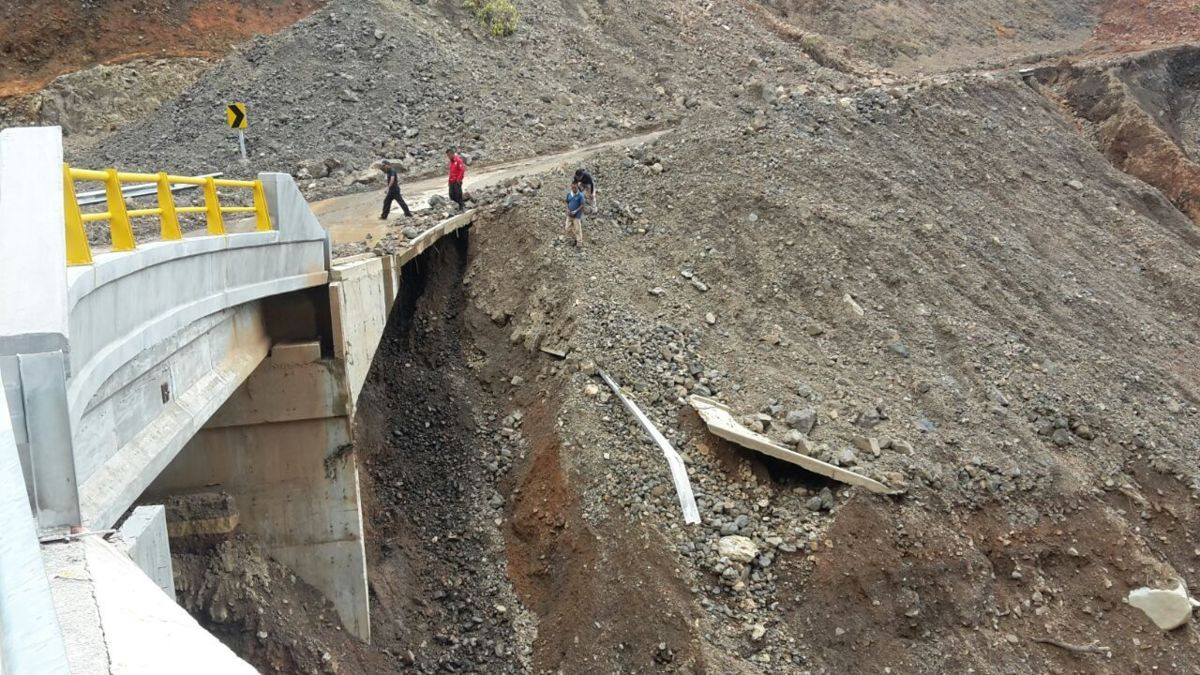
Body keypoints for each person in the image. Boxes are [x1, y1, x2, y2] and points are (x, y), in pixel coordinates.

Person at [565, 180, 585, 247]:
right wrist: (568, 209)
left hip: (577, 215)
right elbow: (567, 202)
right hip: (569, 214)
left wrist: (576, 211)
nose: (574, 189)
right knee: (567, 228)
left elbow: (582, 205)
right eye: (572, 187)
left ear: (577, 187)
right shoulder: (569, 194)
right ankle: (572, 239)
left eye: (575, 188)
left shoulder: (580, 195)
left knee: (577, 229)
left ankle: (579, 242)